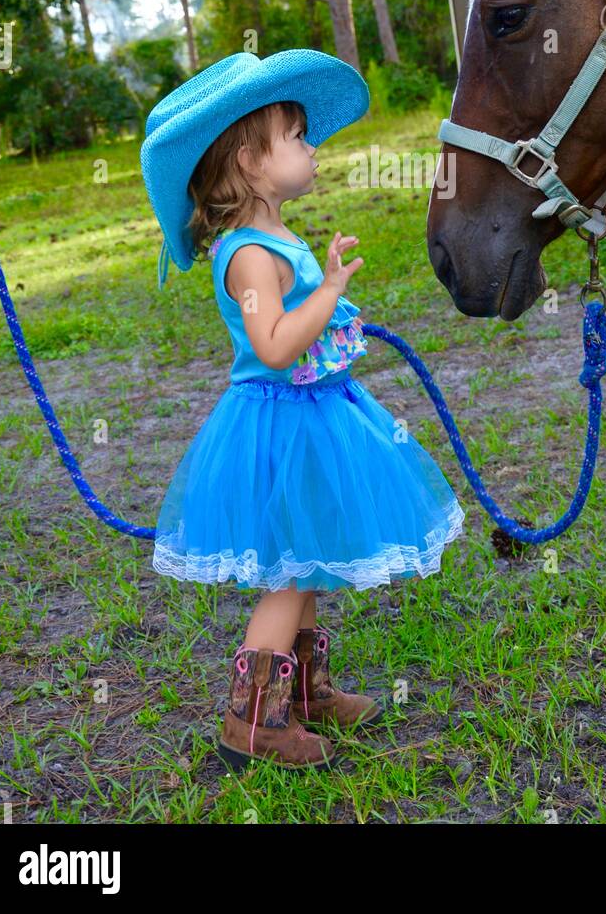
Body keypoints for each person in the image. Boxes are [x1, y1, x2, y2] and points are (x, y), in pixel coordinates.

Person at [140, 49, 465, 773]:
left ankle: (307, 694)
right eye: (297, 136)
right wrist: (329, 292)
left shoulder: (277, 238)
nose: (311, 148)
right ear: (252, 162)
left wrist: (325, 281)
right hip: (282, 422)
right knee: (286, 575)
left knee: (306, 557)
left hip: (317, 417)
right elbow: (275, 343)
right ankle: (250, 722)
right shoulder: (249, 256)